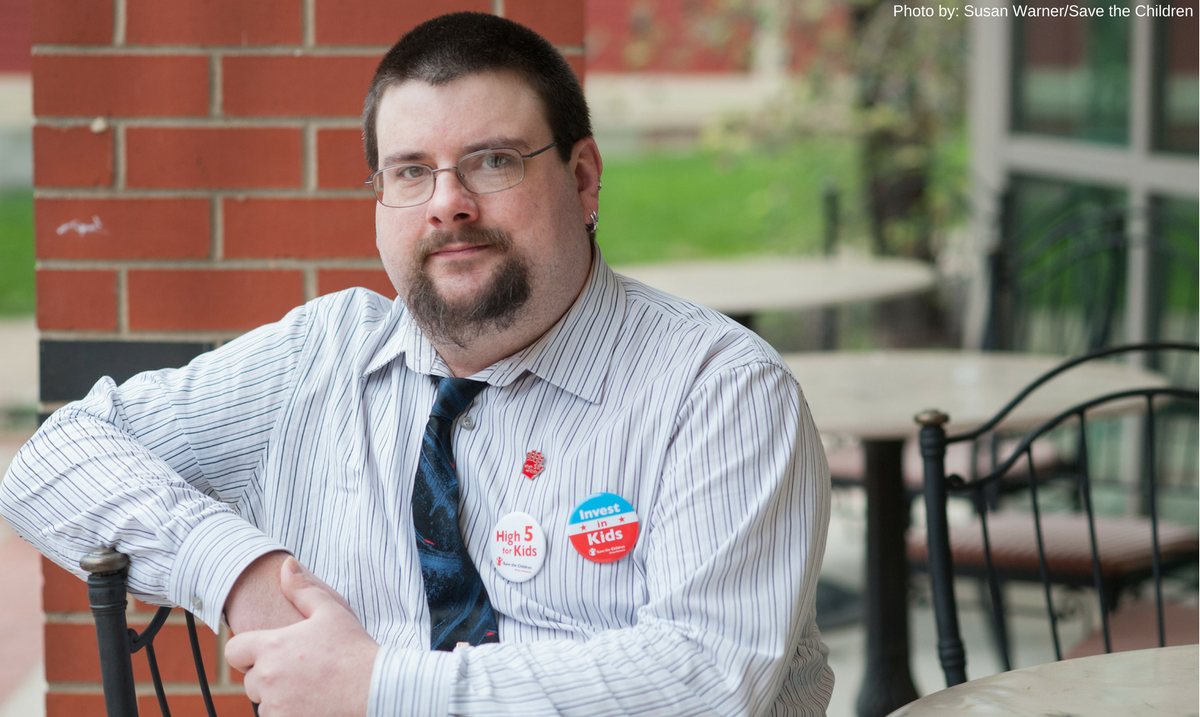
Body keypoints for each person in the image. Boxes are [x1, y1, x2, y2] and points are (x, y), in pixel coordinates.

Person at [0, 12, 833, 717]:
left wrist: (382, 686)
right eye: (410, 172)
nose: (447, 202)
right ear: (379, 205)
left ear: (582, 180)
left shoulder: (718, 389)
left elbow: (712, 681)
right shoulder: (318, 358)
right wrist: (239, 572)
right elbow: (50, 460)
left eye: (493, 160)